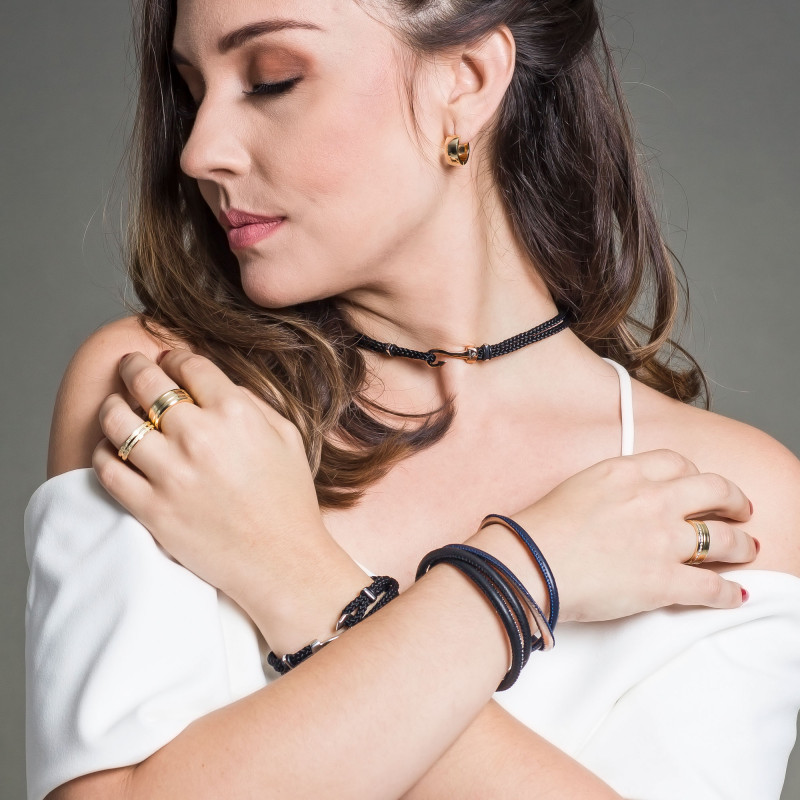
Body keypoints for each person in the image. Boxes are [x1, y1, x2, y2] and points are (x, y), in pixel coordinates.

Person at [24, 0, 800, 798]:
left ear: (466, 79)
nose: (198, 151)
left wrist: (293, 574)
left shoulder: (723, 497)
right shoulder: (172, 394)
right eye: (193, 91)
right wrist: (518, 578)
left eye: (272, 80)